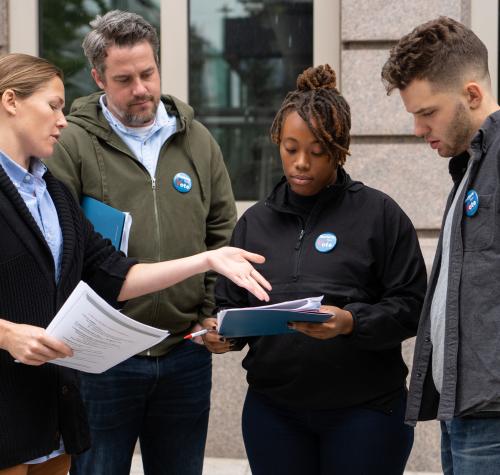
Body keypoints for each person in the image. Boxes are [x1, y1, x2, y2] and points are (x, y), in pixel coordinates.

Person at [0, 53, 270, 475]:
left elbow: (116, 273)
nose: (63, 119)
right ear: (11, 101)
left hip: (50, 416)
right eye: (53, 106)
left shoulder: (52, 193)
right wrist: (7, 334)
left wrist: (206, 258)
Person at [207, 64, 427, 475]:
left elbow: (413, 305)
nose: (302, 163)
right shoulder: (253, 223)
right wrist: (221, 334)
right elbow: (229, 304)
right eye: (290, 149)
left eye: (318, 151)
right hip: (274, 415)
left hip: (366, 414)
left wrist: (350, 322)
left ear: (339, 149)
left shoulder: (379, 214)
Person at [45, 10, 238, 475]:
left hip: (183, 354)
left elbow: (222, 229)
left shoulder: (197, 141)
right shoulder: (71, 145)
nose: (141, 90)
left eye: (147, 73)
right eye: (124, 79)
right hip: (103, 361)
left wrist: (209, 310)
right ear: (98, 78)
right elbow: (60, 246)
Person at [381, 16, 500, 474]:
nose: (417, 129)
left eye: (427, 112)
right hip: (462, 413)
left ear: (471, 94)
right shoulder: (470, 167)